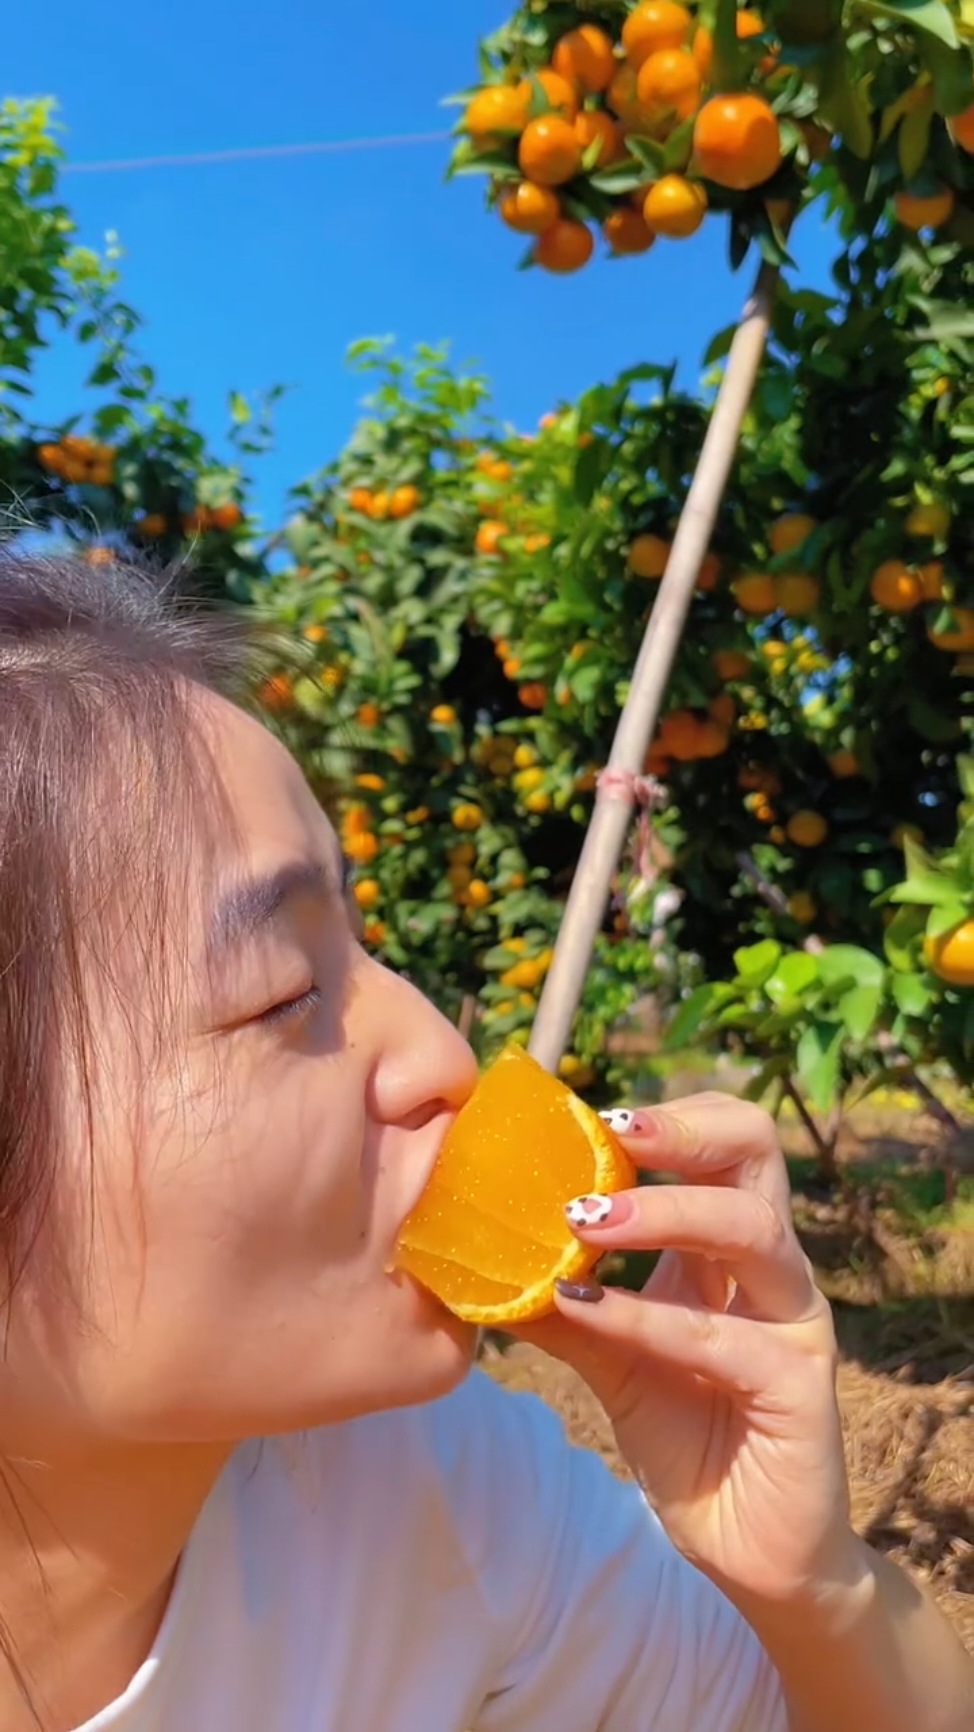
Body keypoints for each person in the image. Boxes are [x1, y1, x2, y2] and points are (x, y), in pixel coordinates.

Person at [0, 554, 969, 1732]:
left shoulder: (428, 1484)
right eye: (277, 991)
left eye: (362, 946)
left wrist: (813, 1584)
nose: (444, 1058)